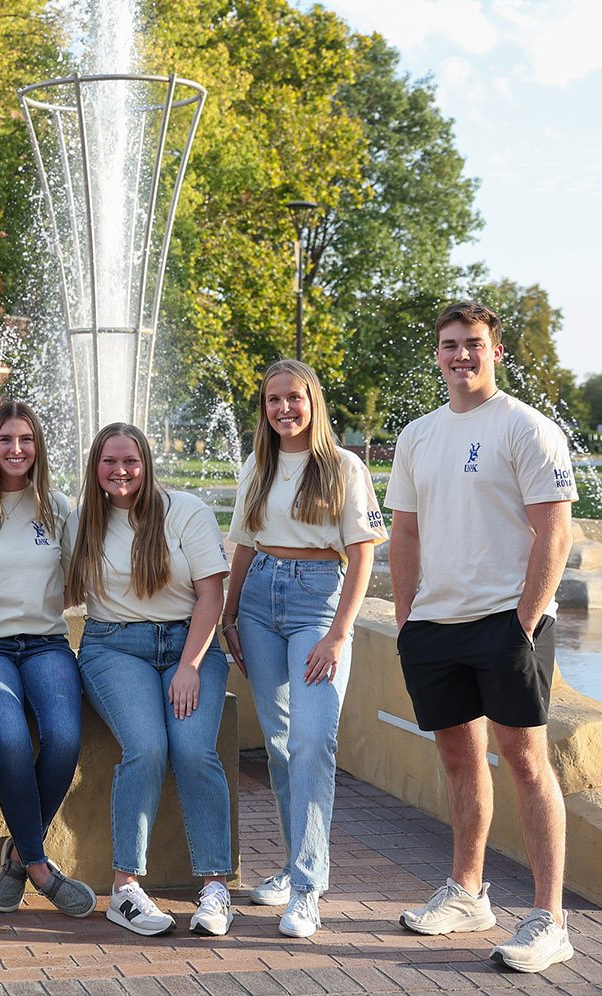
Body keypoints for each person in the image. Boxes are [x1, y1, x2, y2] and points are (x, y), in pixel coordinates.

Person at [386, 301, 577, 973]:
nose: (460, 354)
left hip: (506, 621)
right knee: (460, 762)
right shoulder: (417, 436)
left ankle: (550, 919)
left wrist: (525, 621)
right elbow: (403, 533)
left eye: (472, 343)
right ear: (436, 354)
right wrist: (408, 621)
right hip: (435, 626)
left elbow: (555, 530)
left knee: (526, 764)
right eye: (449, 344)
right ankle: (468, 894)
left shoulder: (527, 428)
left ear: (495, 351)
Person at [221, 360, 386, 939]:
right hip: (259, 601)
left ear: (312, 401)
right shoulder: (258, 464)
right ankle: (294, 870)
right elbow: (242, 544)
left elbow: (363, 553)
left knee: (315, 739)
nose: (283, 409)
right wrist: (229, 612)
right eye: (272, 400)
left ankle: (309, 887)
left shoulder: (344, 466)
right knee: (281, 742)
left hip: (318, 604)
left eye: (293, 398)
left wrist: (341, 633)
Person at [65, 422, 233, 937]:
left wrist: (188, 665)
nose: (120, 471)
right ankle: (126, 889)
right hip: (113, 647)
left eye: (130, 462)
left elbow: (211, 594)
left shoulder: (185, 511)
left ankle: (214, 888)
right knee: (146, 747)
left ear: (146, 464)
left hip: (189, 645)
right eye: (109, 462)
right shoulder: (81, 522)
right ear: (95, 467)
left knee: (194, 751)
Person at [0, 402, 95, 919]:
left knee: (63, 739)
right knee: (11, 740)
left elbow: (82, 579)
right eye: (6, 439)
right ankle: (38, 867)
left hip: (46, 644)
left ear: (39, 447)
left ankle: (16, 853)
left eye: (26, 439)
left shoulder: (56, 508)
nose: (16, 449)